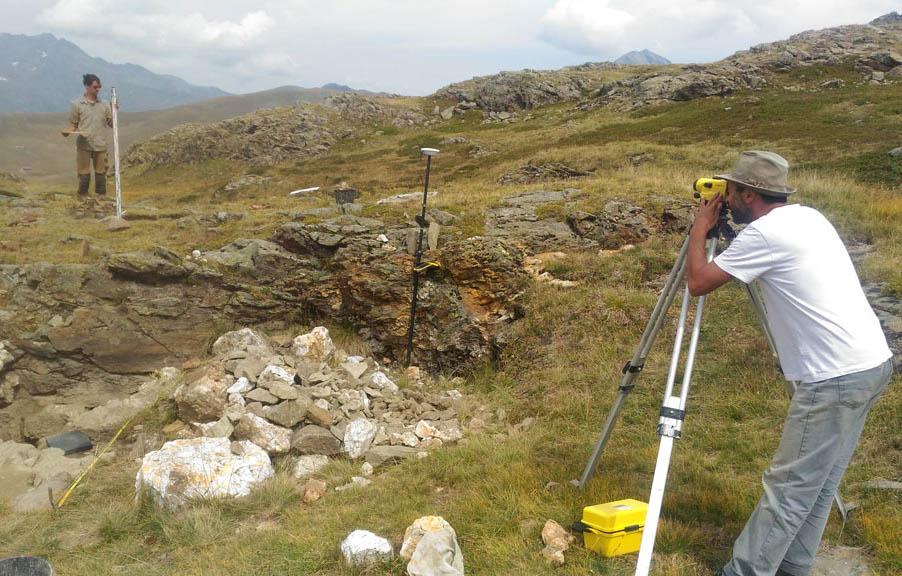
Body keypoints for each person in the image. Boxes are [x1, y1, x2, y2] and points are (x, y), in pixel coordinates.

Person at [687, 151, 893, 576]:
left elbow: (698, 283)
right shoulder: (808, 217)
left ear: (747, 192)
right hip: (870, 364)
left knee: (790, 487)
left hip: (833, 378)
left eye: (731, 190)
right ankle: (793, 566)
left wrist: (700, 230)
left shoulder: (763, 236)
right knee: (819, 483)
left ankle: (745, 571)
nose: (724, 196)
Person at [61, 73, 113, 198]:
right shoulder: (77, 104)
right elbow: (73, 124)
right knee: (84, 175)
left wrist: (115, 112)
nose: (98, 89)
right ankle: (82, 200)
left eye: (99, 87)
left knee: (101, 174)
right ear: (87, 87)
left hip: (100, 144)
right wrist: (66, 132)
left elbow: (111, 124)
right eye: (95, 87)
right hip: (84, 145)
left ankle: (101, 201)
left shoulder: (105, 105)